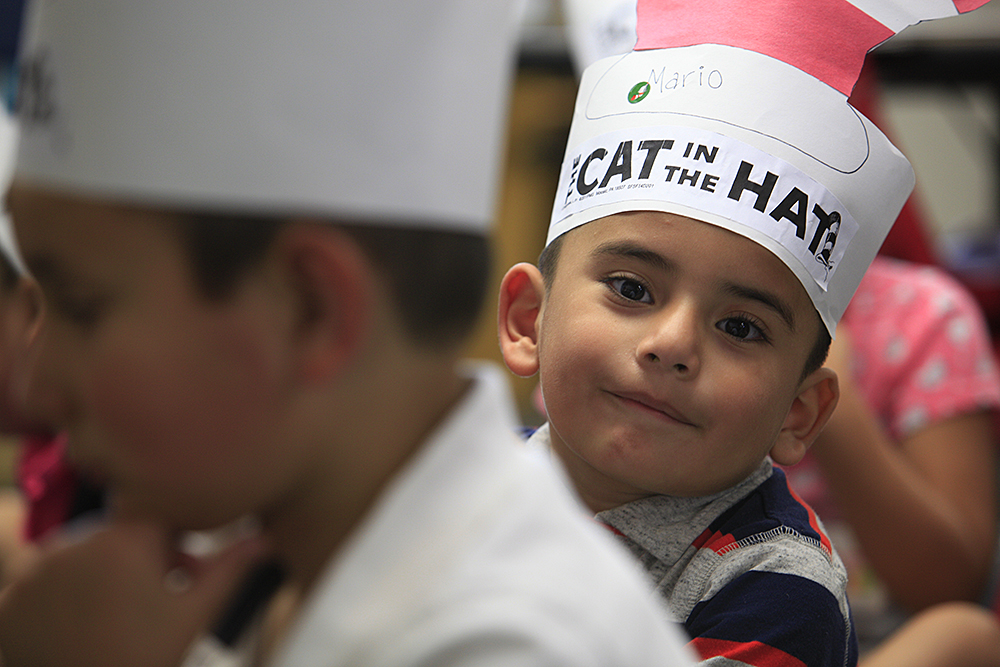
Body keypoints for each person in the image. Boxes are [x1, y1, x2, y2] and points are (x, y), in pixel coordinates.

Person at [0, 2, 699, 666]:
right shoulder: (272, 559)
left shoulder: (508, 645)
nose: (38, 385)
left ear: (311, 309)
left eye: (81, 306)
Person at [497, 0, 992, 665]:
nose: (672, 342)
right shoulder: (458, 481)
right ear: (529, 319)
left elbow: (950, 578)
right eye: (631, 289)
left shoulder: (777, 594)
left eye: (739, 326)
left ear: (800, 410)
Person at [783, 254, 1000, 650]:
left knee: (966, 639)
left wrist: (838, 412)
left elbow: (950, 586)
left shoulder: (926, 314)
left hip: (889, 640)